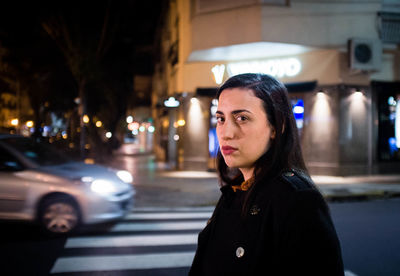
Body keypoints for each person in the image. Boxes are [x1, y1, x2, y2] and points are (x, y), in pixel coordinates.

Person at [189, 73, 344, 276]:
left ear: (276, 127)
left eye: (242, 118)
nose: (226, 133)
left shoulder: (297, 200)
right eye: (221, 118)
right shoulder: (235, 192)